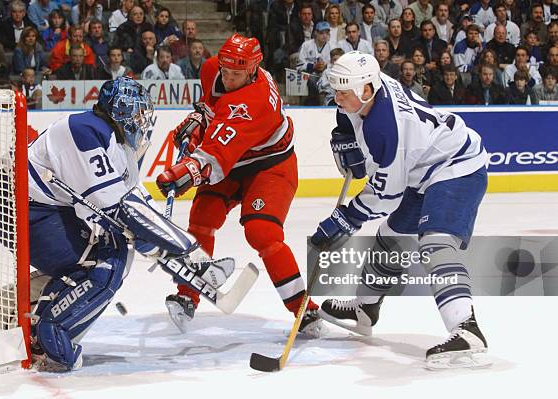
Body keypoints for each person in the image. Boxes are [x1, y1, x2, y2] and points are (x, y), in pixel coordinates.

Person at [0, 77, 235, 371]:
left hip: (35, 204)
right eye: (138, 113)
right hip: (12, 201)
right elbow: (121, 208)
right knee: (107, 260)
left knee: (109, 249)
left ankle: (9, 307)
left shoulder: (112, 143)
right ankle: (48, 335)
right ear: (122, 111)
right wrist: (185, 249)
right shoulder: (86, 130)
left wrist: (178, 253)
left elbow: (128, 208)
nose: (142, 121)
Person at [312, 51, 490, 370]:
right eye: (335, 90)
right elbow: (349, 118)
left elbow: (387, 193)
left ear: (366, 90)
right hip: (423, 166)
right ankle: (364, 310)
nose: (336, 97)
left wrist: (346, 219)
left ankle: (468, 330)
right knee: (390, 237)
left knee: (434, 243)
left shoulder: (384, 126)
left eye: (343, 92)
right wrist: (344, 134)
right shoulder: (369, 88)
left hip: (456, 165)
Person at [156, 34, 325, 337]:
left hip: (270, 165)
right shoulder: (212, 69)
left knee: (263, 232)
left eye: (236, 74)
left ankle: (304, 309)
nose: (229, 78)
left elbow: (215, 157)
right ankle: (187, 294)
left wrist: (186, 171)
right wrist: (198, 122)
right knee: (201, 218)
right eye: (226, 71)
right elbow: (211, 111)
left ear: (252, 70)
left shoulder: (254, 101)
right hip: (235, 162)